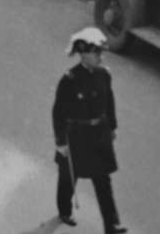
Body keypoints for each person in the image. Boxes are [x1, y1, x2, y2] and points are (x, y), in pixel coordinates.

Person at [53, 27, 127, 234]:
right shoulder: (69, 80)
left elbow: (109, 102)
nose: (100, 57)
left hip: (98, 136)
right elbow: (58, 113)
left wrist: (112, 126)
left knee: (103, 181)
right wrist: (61, 143)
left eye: (101, 53)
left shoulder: (104, 75)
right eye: (97, 53)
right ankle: (65, 210)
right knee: (69, 176)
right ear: (84, 54)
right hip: (76, 137)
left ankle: (111, 224)